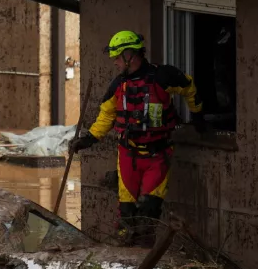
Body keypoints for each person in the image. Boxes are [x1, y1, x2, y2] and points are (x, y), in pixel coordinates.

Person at [69, 31, 207, 247]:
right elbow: (106, 116)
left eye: (116, 57)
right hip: (128, 156)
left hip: (157, 156)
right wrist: (88, 139)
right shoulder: (117, 86)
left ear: (129, 55)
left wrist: (197, 114)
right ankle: (125, 258)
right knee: (127, 216)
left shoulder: (163, 77)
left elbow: (189, 88)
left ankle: (144, 258)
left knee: (148, 213)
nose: (114, 63)